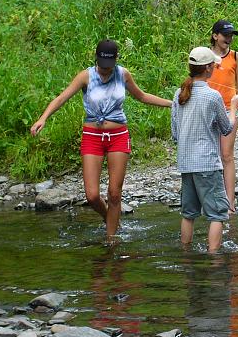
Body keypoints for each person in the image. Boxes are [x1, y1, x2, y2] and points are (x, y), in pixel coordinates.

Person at [30, 39, 171, 238]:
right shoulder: (86, 76)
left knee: (114, 193)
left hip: (118, 136)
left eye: (109, 65)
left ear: (116, 60)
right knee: (92, 195)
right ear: (96, 59)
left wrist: (172, 103)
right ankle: (110, 219)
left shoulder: (123, 74)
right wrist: (43, 118)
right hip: (92, 136)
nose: (105, 70)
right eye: (102, 65)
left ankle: (111, 240)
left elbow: (142, 96)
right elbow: (62, 97)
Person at [171, 46, 238, 252]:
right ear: (209, 68)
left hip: (186, 164)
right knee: (218, 214)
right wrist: (235, 108)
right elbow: (227, 128)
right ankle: (214, 259)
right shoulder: (213, 97)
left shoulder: (179, 94)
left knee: (188, 213)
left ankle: (186, 256)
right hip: (207, 164)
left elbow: (175, 133)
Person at [208, 20, 238, 214]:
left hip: (228, 110)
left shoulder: (236, 57)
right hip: (207, 110)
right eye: (225, 35)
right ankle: (212, 198)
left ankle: (230, 203)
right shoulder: (204, 56)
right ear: (215, 36)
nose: (229, 39)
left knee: (227, 155)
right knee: (209, 155)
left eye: (231, 35)